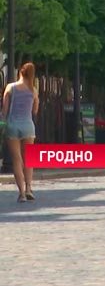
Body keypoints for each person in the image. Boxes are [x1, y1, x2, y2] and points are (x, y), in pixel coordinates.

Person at [2, 62, 40, 202]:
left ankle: (22, 193)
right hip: (28, 125)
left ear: (20, 72)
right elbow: (35, 111)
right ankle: (29, 188)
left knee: (17, 159)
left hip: (13, 125)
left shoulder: (10, 88)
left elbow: (4, 111)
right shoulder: (33, 90)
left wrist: (2, 123)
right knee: (29, 158)